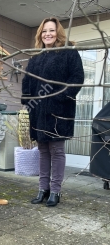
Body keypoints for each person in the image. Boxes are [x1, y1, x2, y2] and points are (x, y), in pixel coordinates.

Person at [21, 17, 84, 207]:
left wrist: (61, 97)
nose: (47, 34)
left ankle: (55, 191)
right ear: (40, 34)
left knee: (56, 150)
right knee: (42, 150)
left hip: (59, 110)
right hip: (38, 112)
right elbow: (27, 82)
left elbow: (77, 78)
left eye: (51, 30)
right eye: (44, 31)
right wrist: (28, 101)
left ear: (58, 33)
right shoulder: (35, 58)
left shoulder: (68, 53)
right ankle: (43, 189)